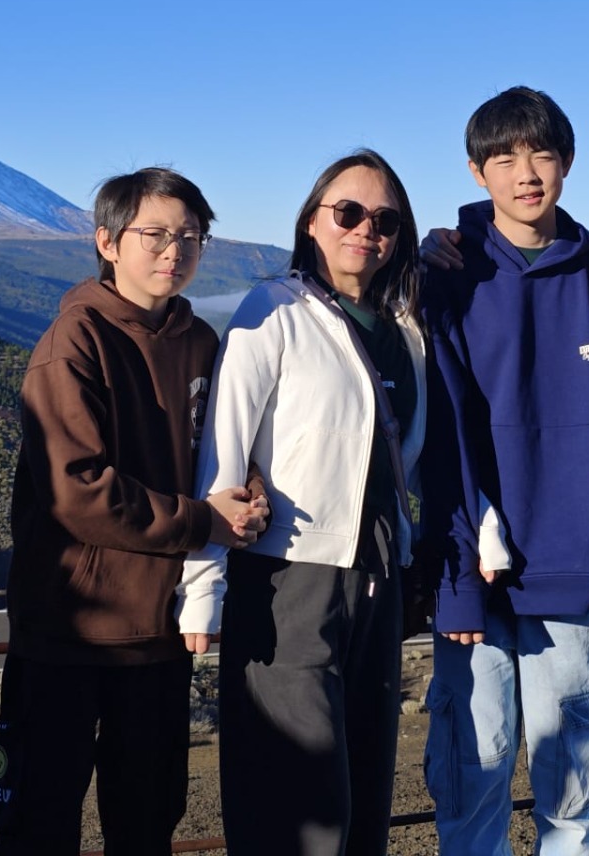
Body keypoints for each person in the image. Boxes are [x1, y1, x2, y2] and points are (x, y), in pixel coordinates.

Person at [0, 168, 269, 856]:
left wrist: (252, 489)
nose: (174, 250)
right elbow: (78, 490)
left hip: (158, 636)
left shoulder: (201, 342)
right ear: (107, 242)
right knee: (37, 826)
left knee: (147, 826)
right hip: (68, 632)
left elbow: (227, 447)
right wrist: (204, 522)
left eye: (190, 236)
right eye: (154, 234)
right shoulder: (74, 342)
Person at [419, 87, 589, 856]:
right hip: (474, 578)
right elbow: (437, 440)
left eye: (542, 153)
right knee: (474, 768)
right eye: (504, 157)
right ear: (476, 170)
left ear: (567, 163)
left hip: (577, 569)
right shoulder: (445, 276)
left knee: (574, 785)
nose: (526, 173)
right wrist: (452, 576)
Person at [178, 150, 428, 856]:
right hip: (288, 577)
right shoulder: (274, 310)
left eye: (384, 218)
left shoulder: (404, 331)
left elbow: (397, 460)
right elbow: (223, 451)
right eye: (347, 212)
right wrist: (203, 586)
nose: (365, 230)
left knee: (365, 792)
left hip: (375, 582)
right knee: (298, 801)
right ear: (312, 223)